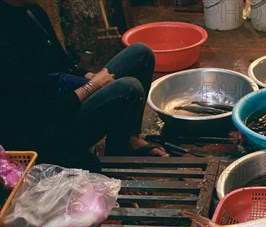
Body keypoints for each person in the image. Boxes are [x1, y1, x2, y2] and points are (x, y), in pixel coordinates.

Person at [0, 0, 168, 173]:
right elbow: (43, 114)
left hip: (60, 98)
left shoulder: (31, 11)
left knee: (141, 54)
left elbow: (62, 63)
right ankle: (114, 170)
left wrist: (87, 76)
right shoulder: (4, 47)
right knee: (128, 89)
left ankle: (129, 140)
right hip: (47, 132)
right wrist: (92, 87)